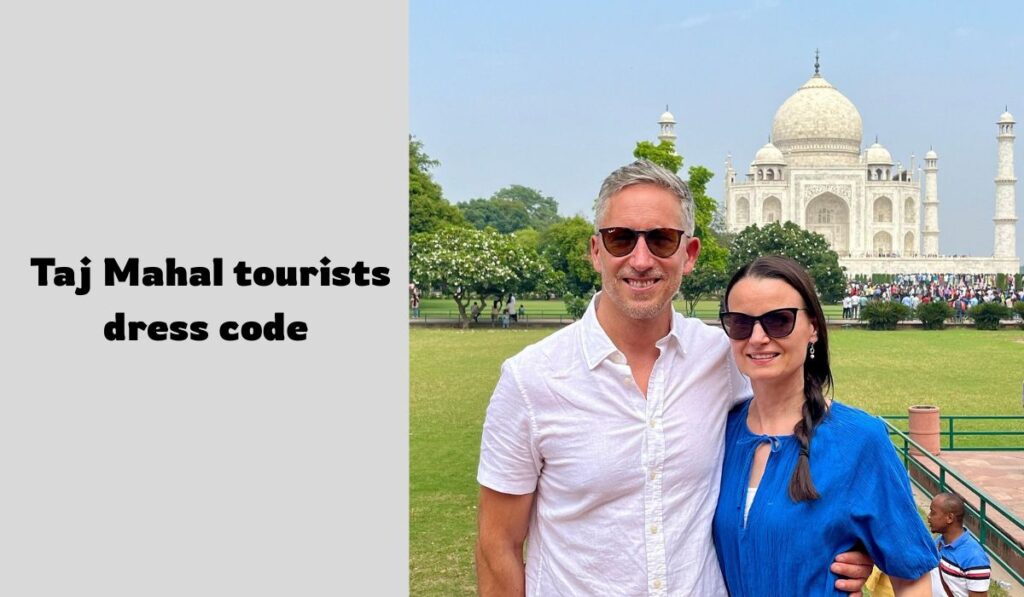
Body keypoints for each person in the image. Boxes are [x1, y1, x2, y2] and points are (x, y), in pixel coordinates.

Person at [475, 160, 873, 596]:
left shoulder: (724, 358)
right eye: (621, 238)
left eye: (662, 239)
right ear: (595, 250)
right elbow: (498, 546)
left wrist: (847, 542)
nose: (641, 259)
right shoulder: (531, 380)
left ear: (689, 254)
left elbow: (803, 427)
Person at [712, 256, 938, 596]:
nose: (757, 338)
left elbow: (913, 578)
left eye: (779, 321)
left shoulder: (858, 441)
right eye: (741, 324)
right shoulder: (720, 432)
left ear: (813, 327)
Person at [927, 492, 991, 597]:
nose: (929, 517)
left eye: (933, 513)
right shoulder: (939, 541)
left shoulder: (974, 557)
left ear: (950, 518)